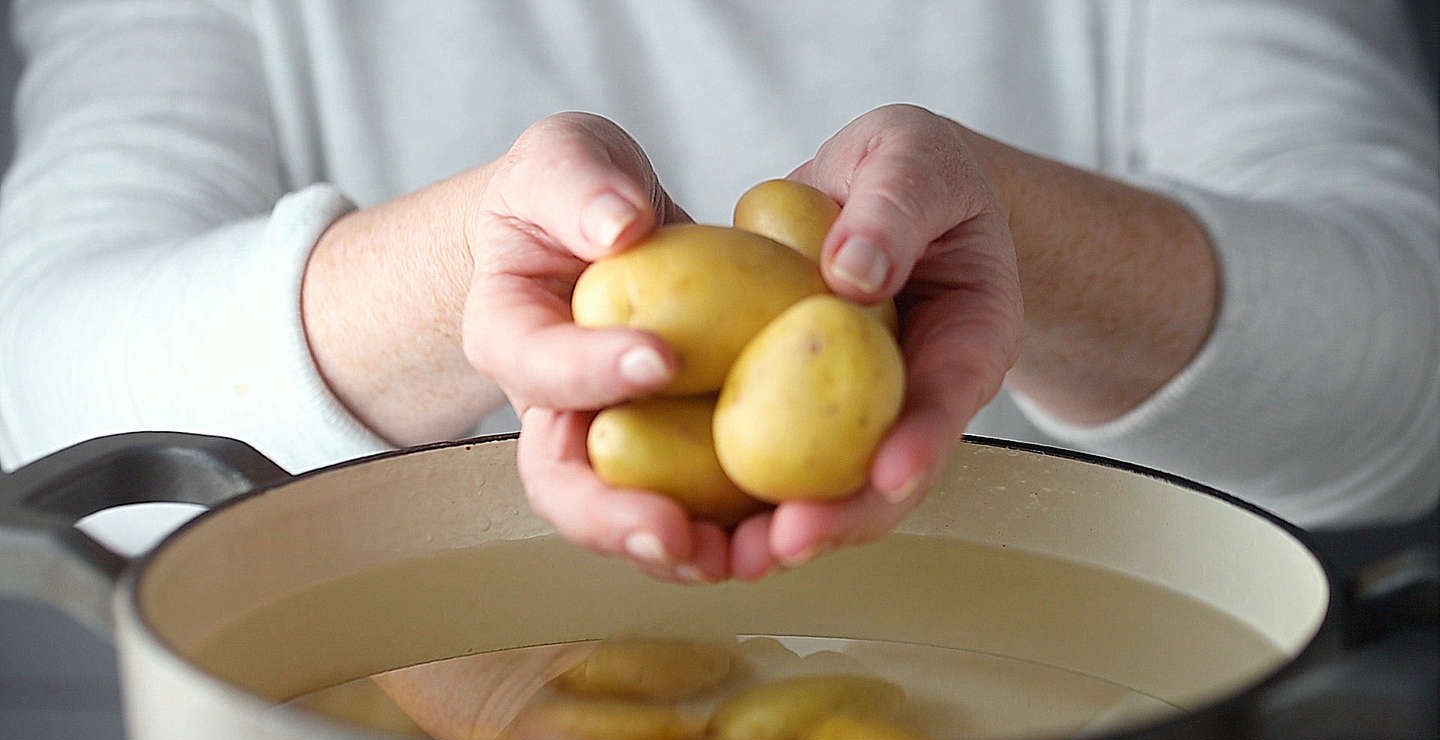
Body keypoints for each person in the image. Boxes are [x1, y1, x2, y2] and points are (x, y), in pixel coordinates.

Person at [0, 1, 1435, 583]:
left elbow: (1412, 372)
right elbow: (41, 399)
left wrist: (1015, 239)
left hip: (1083, 729)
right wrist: (474, 267)